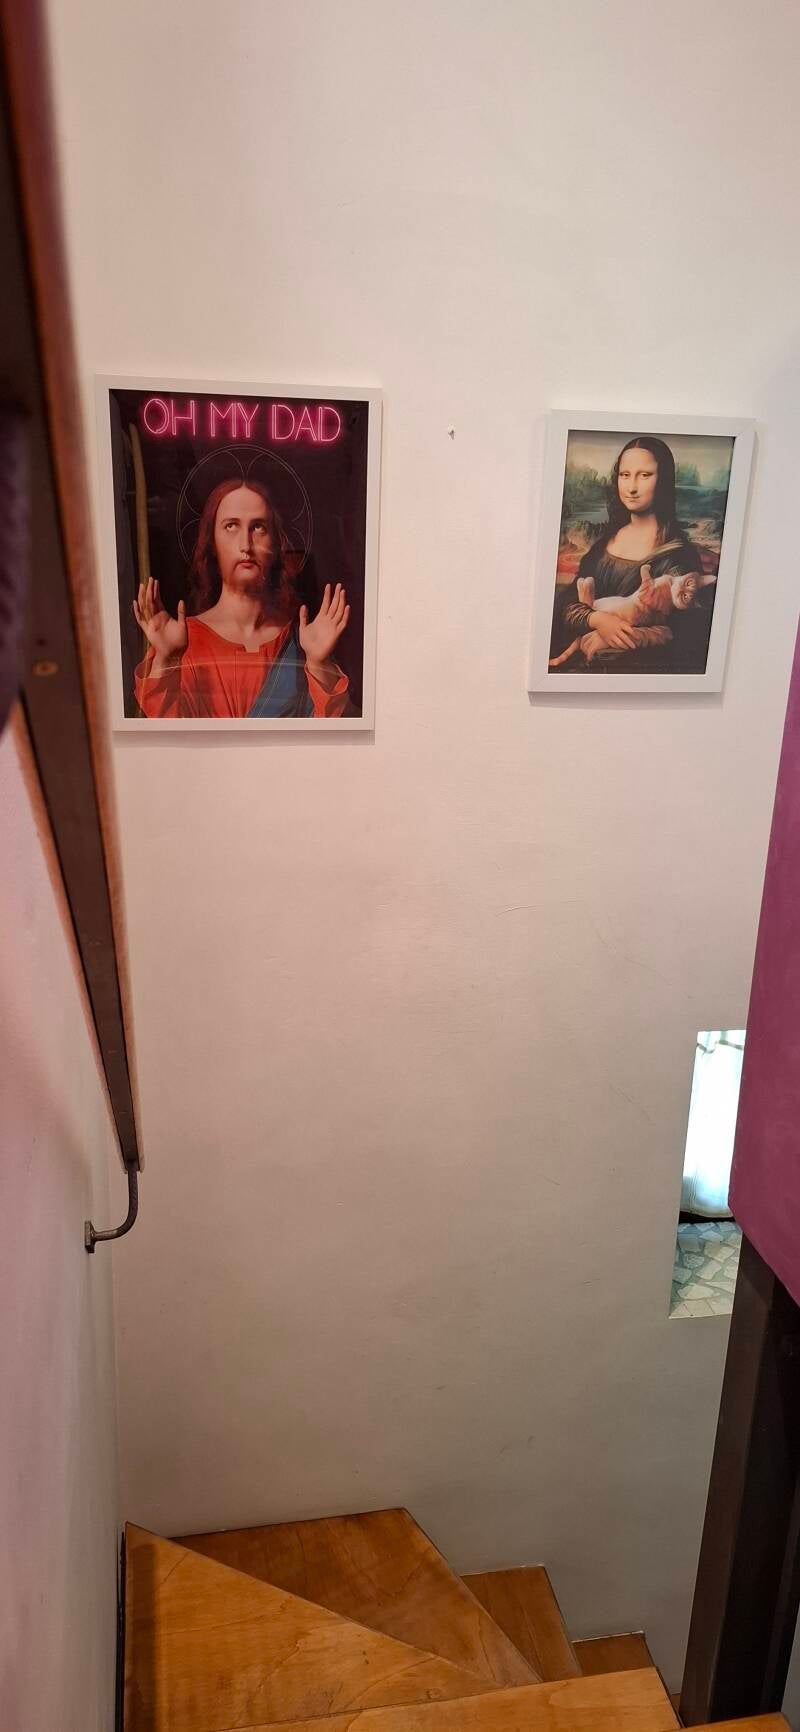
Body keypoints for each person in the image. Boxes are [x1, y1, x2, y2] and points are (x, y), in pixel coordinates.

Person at [133, 478, 351, 718]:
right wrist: (166, 659)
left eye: (258, 527)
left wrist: (318, 664)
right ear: (212, 543)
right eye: (231, 526)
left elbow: (325, 735)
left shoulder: (304, 643)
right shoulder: (182, 641)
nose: (246, 545)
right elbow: (167, 735)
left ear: (276, 543)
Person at [549, 436, 714, 674]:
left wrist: (623, 637)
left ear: (663, 480)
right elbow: (566, 604)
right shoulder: (603, 544)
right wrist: (598, 621)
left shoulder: (678, 555)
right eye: (625, 475)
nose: (632, 487)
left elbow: (686, 638)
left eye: (644, 475)